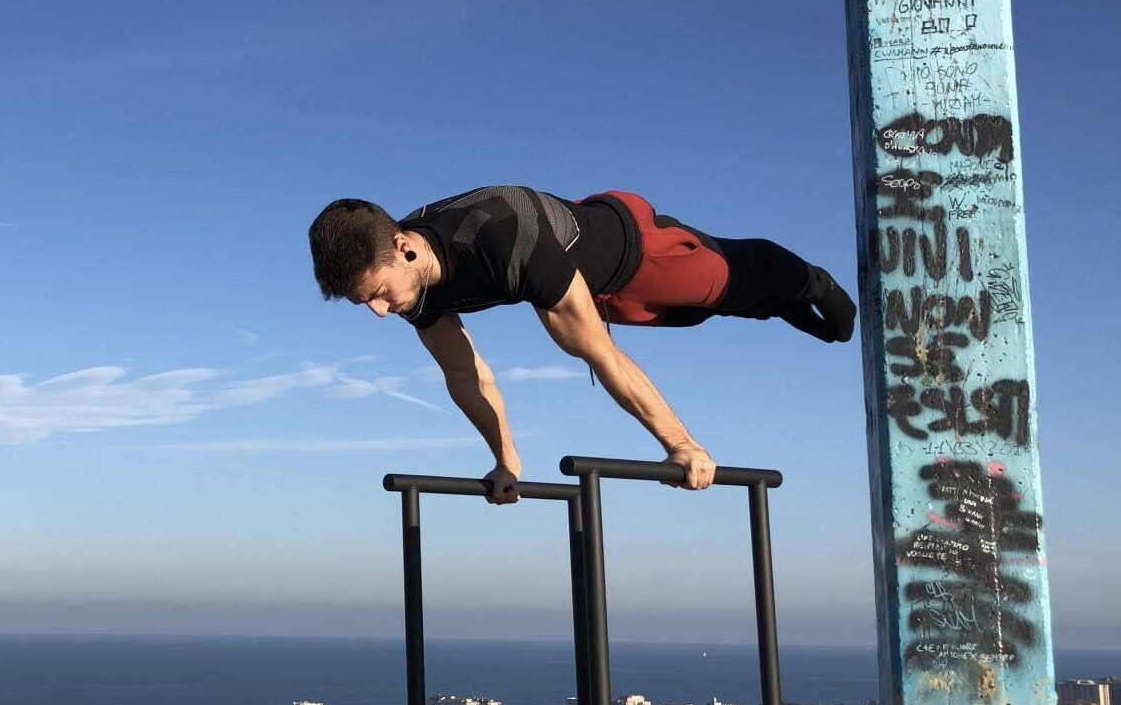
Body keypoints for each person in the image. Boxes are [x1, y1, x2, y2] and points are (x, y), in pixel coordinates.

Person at [307, 186, 855, 499]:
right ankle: (780, 300)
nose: (380, 312)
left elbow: (600, 354)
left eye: (378, 294)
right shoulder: (409, 286)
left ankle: (809, 281)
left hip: (636, 251)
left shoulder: (503, 241)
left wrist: (682, 446)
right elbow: (465, 377)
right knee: (712, 315)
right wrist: (507, 464)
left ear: (403, 247)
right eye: (366, 304)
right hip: (599, 294)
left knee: (725, 284)